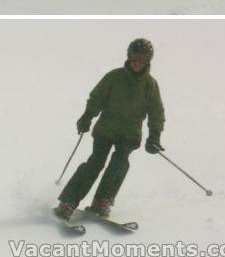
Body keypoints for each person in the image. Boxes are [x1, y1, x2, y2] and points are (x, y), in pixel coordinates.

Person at [54, 38, 165, 220]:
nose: (137, 63)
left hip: (129, 135)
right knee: (96, 163)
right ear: (128, 57)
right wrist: (87, 117)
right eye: (133, 58)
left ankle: (102, 201)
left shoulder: (150, 85)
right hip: (106, 130)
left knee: (119, 163)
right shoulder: (114, 77)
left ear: (148, 61)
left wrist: (155, 136)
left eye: (142, 59)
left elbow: (156, 113)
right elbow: (96, 98)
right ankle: (68, 202)